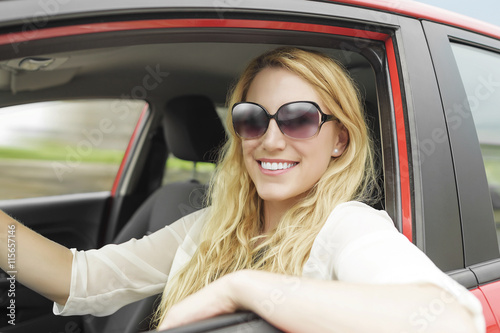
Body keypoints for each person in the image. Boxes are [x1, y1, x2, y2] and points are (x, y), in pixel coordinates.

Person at [0, 47, 484, 333]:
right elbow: (79, 277)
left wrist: (240, 288)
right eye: (253, 119)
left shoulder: (346, 226)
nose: (271, 139)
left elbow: (452, 319)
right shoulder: (211, 227)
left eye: (299, 118)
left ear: (340, 139)